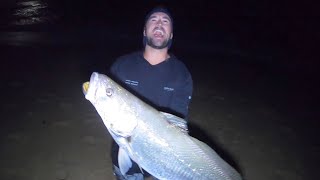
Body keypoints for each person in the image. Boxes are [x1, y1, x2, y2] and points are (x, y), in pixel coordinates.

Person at [109, 6, 193, 180]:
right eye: (153, 20)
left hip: (163, 160)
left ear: (170, 35)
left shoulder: (181, 74)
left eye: (165, 21)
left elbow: (178, 123)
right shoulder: (122, 66)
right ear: (145, 31)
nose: (159, 24)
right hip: (124, 151)